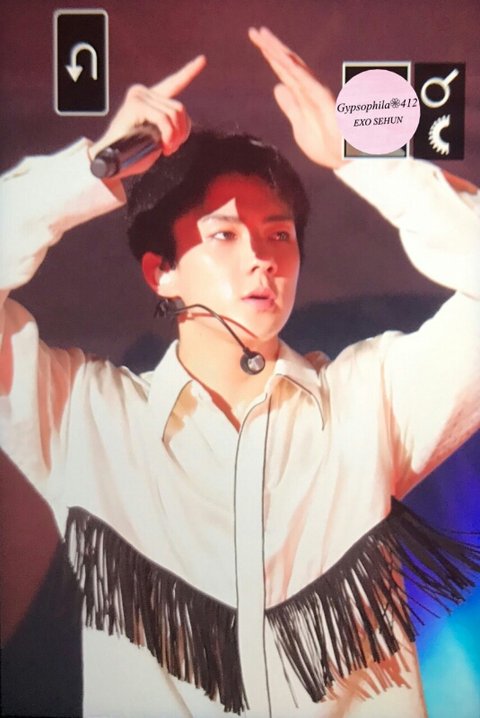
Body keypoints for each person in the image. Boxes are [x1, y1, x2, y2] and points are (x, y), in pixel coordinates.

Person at [1, 26, 479, 718]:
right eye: (224, 234)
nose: (261, 256)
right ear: (161, 272)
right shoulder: (86, 419)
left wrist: (363, 156)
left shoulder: (368, 402)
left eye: (279, 234)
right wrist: (92, 170)